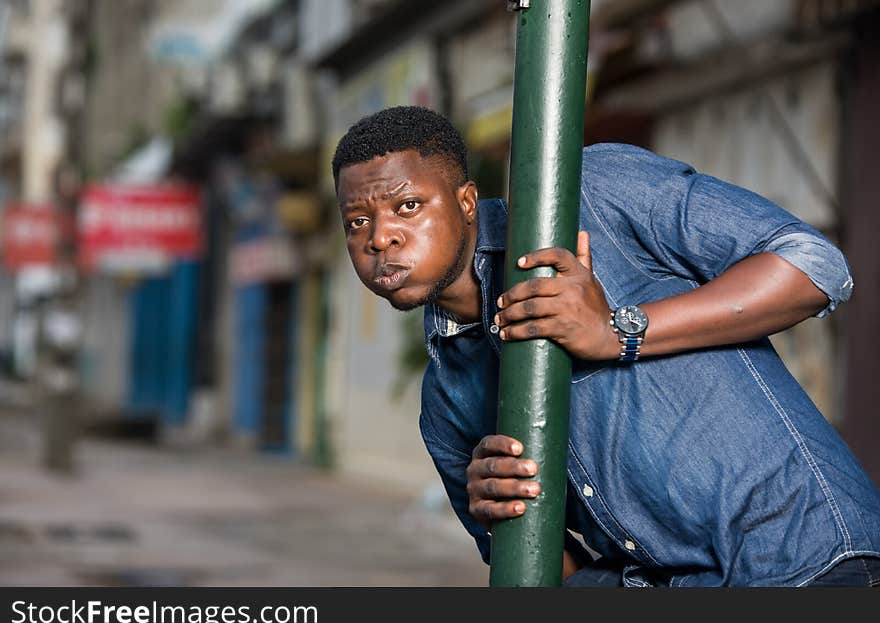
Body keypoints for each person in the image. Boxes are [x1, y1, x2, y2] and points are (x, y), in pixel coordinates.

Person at [332, 105, 880, 587]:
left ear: (467, 201)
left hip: (808, 563)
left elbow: (813, 266)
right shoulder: (445, 400)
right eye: (359, 221)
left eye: (407, 207)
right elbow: (553, 576)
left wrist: (618, 330)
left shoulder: (586, 193)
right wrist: (502, 524)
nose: (380, 238)